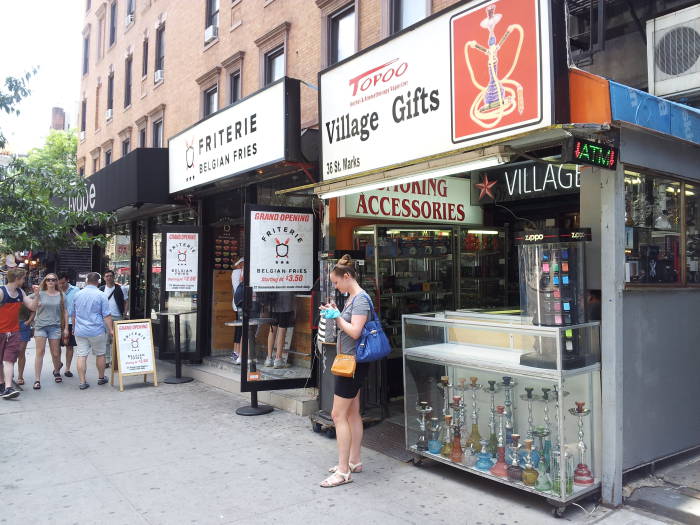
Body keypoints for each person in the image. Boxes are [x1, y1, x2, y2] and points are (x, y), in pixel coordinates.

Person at [318, 254, 370, 488]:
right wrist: (337, 313)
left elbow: (356, 331)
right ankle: (354, 461)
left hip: (351, 363)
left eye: (337, 282)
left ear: (347, 276)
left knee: (338, 415)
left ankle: (342, 471)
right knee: (352, 413)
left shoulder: (360, 299)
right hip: (351, 362)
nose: (336, 286)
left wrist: (337, 317)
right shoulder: (352, 298)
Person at [0, 268, 39, 399]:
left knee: (9, 359)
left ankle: (8, 387)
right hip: (1, 331)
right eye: (23, 278)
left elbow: (32, 307)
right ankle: (2, 384)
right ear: (17, 279)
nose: (24, 281)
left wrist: (37, 294)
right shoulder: (1, 292)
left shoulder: (20, 292)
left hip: (14, 331)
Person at [73, 272, 113, 390]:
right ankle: (101, 378)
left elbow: (73, 314)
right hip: (96, 330)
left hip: (80, 330)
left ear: (86, 281)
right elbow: (106, 315)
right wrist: (110, 329)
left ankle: (82, 381)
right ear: (98, 281)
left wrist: (73, 328)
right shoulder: (101, 295)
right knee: (100, 354)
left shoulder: (77, 294)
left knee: (81, 355)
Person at [32, 273, 69, 390]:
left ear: (57, 281)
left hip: (55, 326)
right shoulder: (40, 294)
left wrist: (66, 328)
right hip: (41, 326)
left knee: (56, 353)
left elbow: (65, 312)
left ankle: (57, 371)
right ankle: (37, 380)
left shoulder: (61, 295)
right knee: (40, 352)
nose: (51, 282)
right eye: (48, 280)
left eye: (53, 280)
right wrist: (36, 299)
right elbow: (27, 300)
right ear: (45, 281)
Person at [100, 269, 127, 367]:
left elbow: (125, 301)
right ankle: (107, 360)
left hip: (118, 316)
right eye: (106, 276)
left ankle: (114, 360)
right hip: (105, 317)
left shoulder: (120, 288)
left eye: (110, 276)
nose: (108, 278)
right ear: (104, 278)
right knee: (106, 339)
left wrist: (124, 313)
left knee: (117, 339)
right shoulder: (101, 289)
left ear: (113, 277)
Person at [58, 272, 79, 378]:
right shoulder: (55, 290)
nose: (61, 285)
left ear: (67, 280)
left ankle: (67, 368)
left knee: (69, 346)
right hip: (57, 322)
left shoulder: (76, 290)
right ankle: (57, 365)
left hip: (71, 321)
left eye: (63, 283)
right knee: (56, 346)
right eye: (59, 283)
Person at [266, 292, 295, 368]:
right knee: (282, 329)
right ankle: (278, 359)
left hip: (273, 302)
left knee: (272, 329)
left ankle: (269, 359)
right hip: (285, 302)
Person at [15, 295, 35, 386]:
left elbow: (33, 311)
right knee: (9, 352)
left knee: (21, 351)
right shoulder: (4, 296)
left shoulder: (25, 298)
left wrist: (28, 321)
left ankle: (20, 376)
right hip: (9, 325)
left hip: (23, 325)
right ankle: (9, 372)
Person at [231, 258, 244, 363]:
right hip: (241, 303)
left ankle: (235, 352)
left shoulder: (234, 272)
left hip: (236, 302)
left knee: (238, 328)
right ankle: (238, 353)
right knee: (241, 329)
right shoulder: (239, 272)